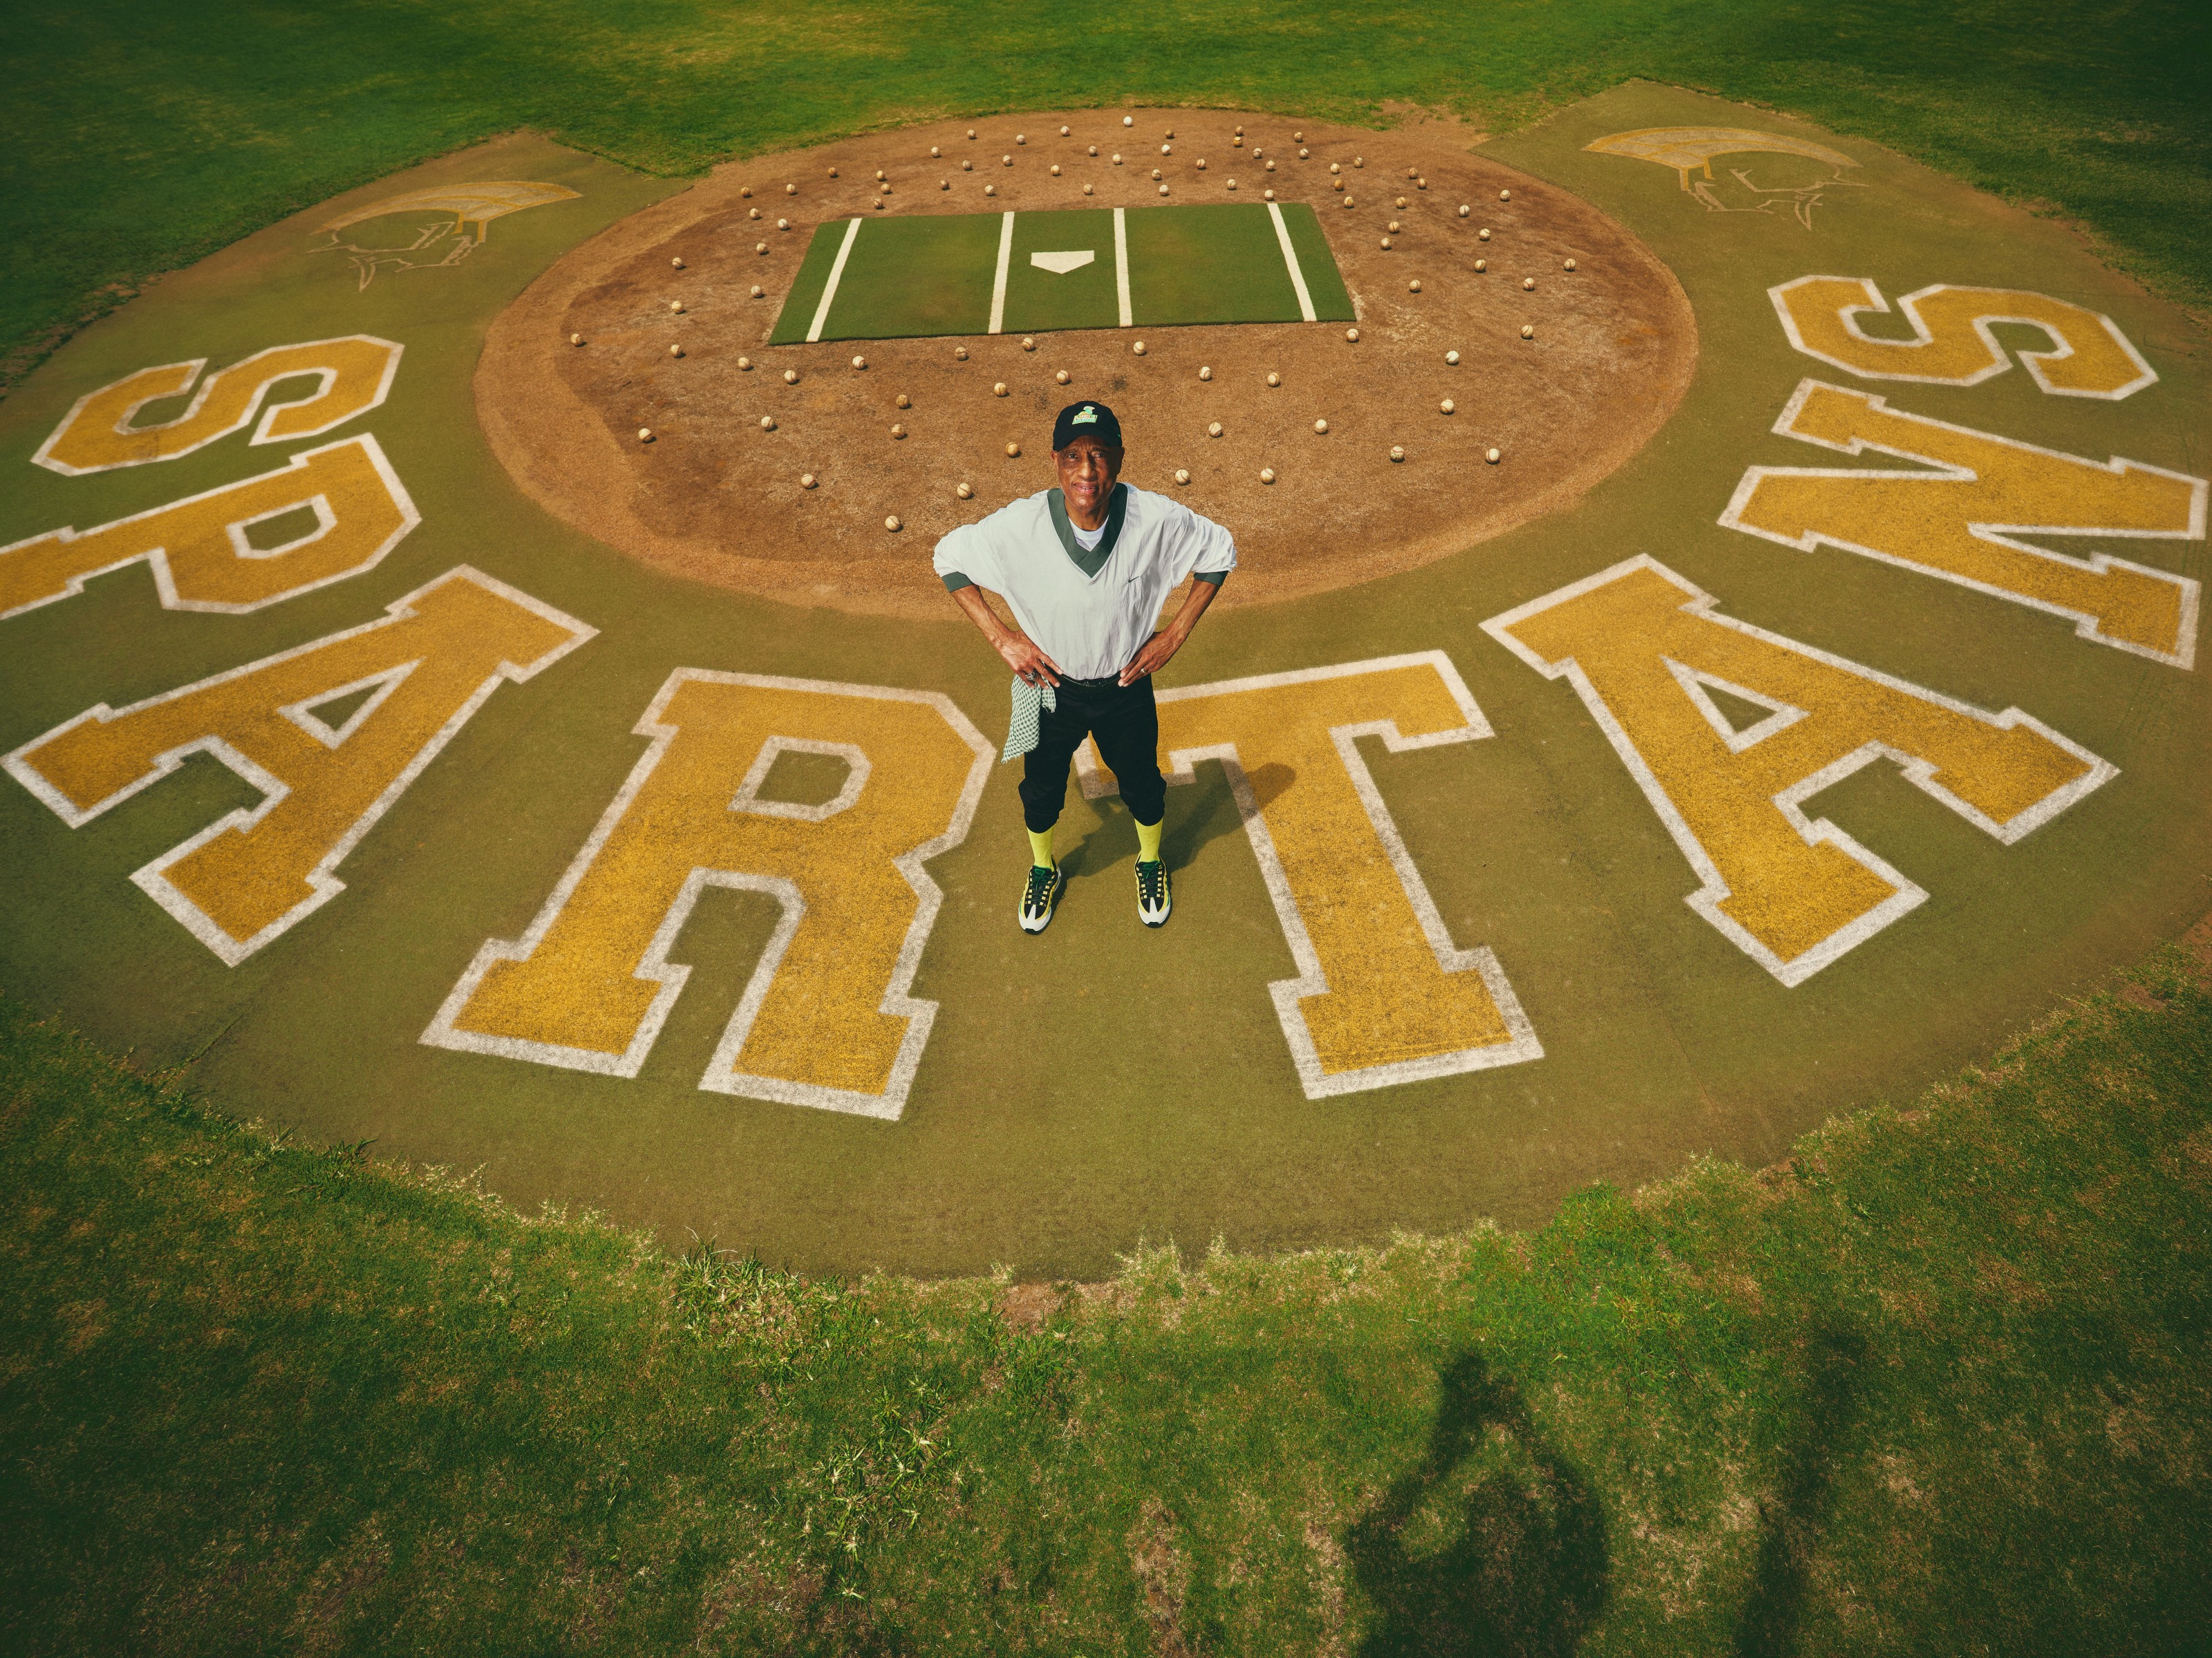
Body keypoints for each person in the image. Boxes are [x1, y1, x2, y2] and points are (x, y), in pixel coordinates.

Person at [933, 400, 1236, 933]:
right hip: (1052, 688)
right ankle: (1043, 867)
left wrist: (1175, 634)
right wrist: (1002, 638)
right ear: (1055, 461)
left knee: (1143, 783)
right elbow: (948, 558)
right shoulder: (1019, 526)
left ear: (1119, 459)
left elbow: (1220, 550)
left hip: (1126, 686)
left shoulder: (1156, 519)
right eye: (1074, 455)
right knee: (1041, 792)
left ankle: (1149, 860)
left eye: (1099, 455)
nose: (1087, 471)